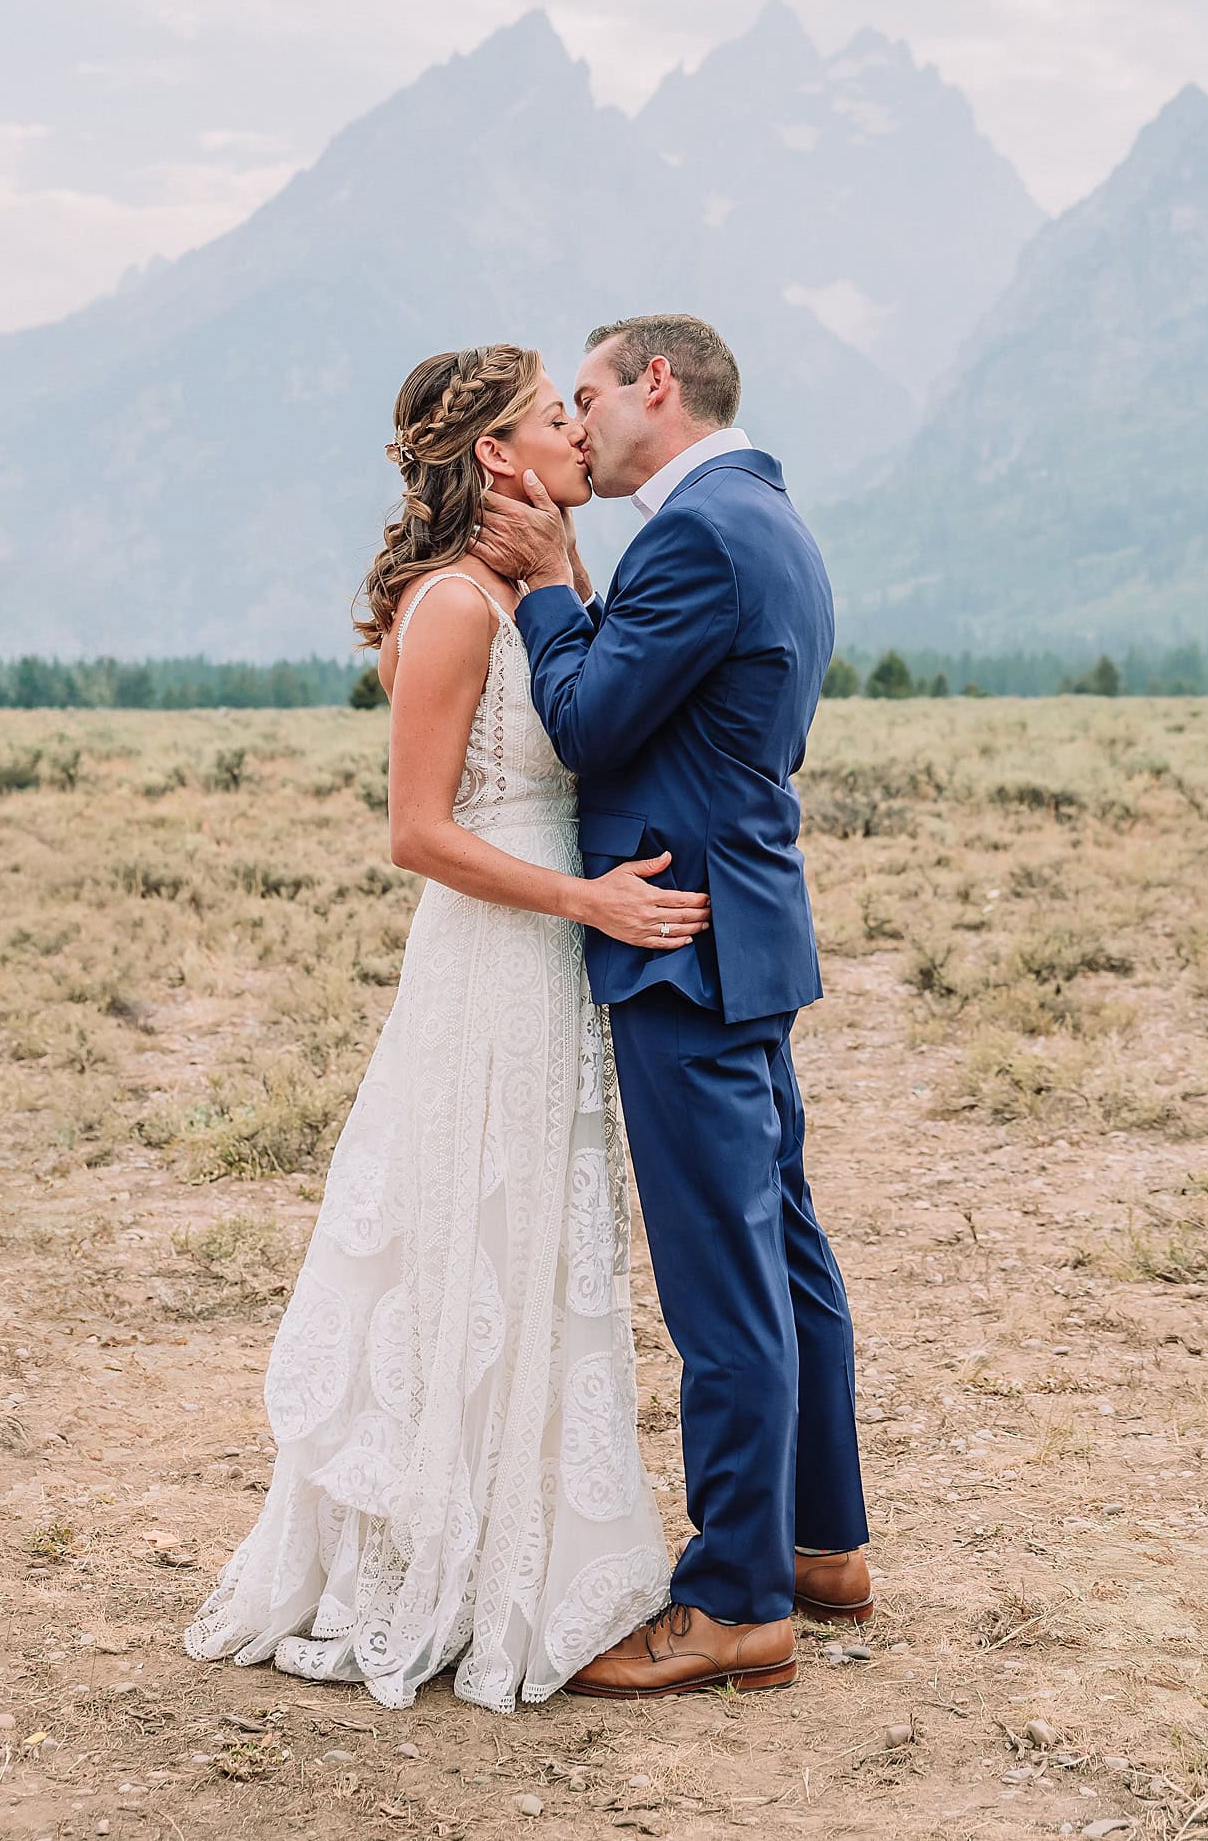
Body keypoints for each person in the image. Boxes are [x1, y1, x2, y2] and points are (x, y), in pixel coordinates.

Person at [184, 344, 691, 1712]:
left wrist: (562, 578)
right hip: (491, 955)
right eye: (549, 419)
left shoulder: (539, 582)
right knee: (473, 1239)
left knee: (538, 1242)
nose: (579, 434)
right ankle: (458, 1571)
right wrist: (582, 894)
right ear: (496, 459)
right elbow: (417, 830)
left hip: (548, 958)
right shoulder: (456, 605)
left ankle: (541, 1563)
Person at [476, 313, 871, 1701]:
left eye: (587, 394)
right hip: (747, 928)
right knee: (787, 1249)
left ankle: (736, 1600)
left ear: (659, 383)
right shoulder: (774, 519)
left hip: (678, 939)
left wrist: (543, 586)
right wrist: (584, 579)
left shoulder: (695, 534)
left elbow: (585, 721)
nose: (577, 424)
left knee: (723, 1278)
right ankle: (821, 1541)